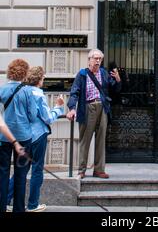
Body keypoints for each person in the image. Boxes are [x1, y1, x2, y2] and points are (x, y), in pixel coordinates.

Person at [7, 66, 64, 213]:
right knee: (37, 169)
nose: (43, 80)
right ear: (39, 79)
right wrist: (58, 108)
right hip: (38, 136)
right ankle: (32, 204)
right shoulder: (38, 94)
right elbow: (47, 118)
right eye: (43, 78)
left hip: (23, 136)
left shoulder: (22, 91)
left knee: (21, 171)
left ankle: (6, 201)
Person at [67, 49, 121, 179]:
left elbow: (115, 90)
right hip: (87, 107)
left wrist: (118, 80)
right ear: (89, 59)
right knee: (85, 140)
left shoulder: (103, 73)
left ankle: (99, 170)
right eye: (95, 58)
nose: (98, 61)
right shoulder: (82, 74)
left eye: (100, 59)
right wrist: (72, 108)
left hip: (102, 107)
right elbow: (74, 92)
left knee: (101, 139)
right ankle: (81, 170)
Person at [0, 59, 37, 213]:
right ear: (25, 72)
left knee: (2, 175)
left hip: (3, 138)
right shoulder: (28, 91)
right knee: (21, 177)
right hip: (24, 137)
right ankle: (19, 209)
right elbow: (33, 116)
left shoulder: (1, 89)